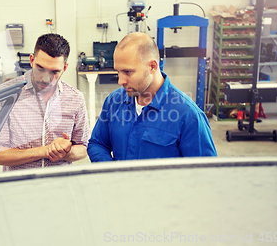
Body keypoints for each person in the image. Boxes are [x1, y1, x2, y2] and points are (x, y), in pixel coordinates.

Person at [87, 32, 217, 162]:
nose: (120, 81)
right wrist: (112, 173)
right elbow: (97, 144)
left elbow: (205, 173)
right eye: (118, 71)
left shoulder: (189, 116)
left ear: (152, 66)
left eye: (128, 72)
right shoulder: (113, 102)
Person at [0, 33, 89, 171]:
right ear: (31, 60)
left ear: (65, 68)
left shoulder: (75, 98)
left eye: (55, 71)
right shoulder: (6, 94)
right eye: (40, 68)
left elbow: (83, 148)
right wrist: (46, 150)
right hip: (19, 187)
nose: (46, 79)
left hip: (60, 186)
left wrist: (64, 151)